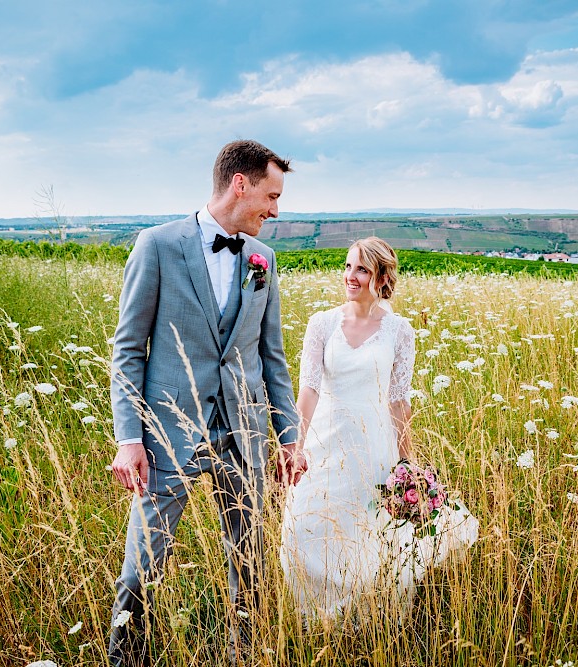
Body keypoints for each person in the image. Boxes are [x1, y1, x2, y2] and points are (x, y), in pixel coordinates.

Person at [108, 140, 307, 667]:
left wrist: (288, 437)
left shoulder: (263, 259)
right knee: (143, 563)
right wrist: (130, 439)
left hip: (242, 436)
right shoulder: (156, 246)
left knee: (249, 560)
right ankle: (125, 659)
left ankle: (245, 654)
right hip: (169, 436)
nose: (275, 210)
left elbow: (272, 355)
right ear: (239, 184)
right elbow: (128, 349)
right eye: (271, 195)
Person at [280, 237, 478, 622]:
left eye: (361, 269)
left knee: (369, 532)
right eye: (348, 266)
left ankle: (369, 618)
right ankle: (315, 617)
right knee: (304, 526)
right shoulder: (320, 324)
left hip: (373, 443)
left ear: (381, 276)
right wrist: (296, 446)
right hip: (325, 440)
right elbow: (308, 389)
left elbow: (398, 401)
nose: (350, 276)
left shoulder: (400, 331)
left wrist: (408, 463)